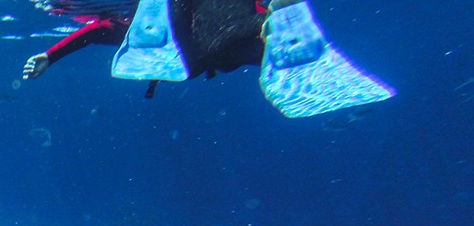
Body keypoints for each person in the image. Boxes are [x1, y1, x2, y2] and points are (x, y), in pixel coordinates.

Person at [21, 0, 393, 118]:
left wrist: (51, 56)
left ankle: (272, 20)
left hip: (210, 31)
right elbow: (100, 30)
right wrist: (50, 56)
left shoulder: (146, 31)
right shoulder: (143, 35)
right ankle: (272, 23)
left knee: (215, 48)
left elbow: (99, 29)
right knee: (223, 51)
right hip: (219, 39)